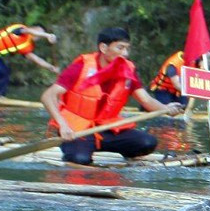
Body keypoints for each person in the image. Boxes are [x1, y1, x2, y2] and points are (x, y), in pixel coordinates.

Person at [41, 28, 184, 165]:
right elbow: (48, 96)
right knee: (79, 159)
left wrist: (165, 108)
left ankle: (96, 147)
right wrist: (63, 125)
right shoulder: (81, 67)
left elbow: (145, 100)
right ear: (103, 48)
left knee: (147, 143)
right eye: (120, 48)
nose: (125, 53)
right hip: (77, 131)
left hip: (106, 129)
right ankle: (80, 148)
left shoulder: (128, 69)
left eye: (127, 49)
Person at [0, 23, 58, 97]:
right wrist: (47, 35)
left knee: (5, 71)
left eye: (41, 34)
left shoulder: (27, 46)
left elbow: (36, 59)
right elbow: (28, 31)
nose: (39, 35)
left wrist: (51, 67)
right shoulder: (21, 30)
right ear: (33, 29)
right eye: (39, 32)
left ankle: (0, 95)